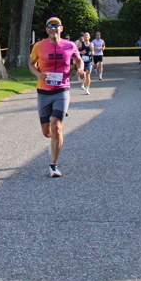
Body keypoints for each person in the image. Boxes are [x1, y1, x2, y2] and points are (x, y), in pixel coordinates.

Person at [28, 17, 85, 178]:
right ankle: (53, 141)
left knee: (57, 126)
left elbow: (78, 61)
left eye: (56, 26)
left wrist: (80, 69)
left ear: (61, 28)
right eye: (50, 26)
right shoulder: (39, 46)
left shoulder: (70, 45)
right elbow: (31, 64)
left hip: (62, 90)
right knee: (47, 132)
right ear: (47, 29)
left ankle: (53, 165)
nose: (53, 28)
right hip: (44, 91)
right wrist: (39, 74)